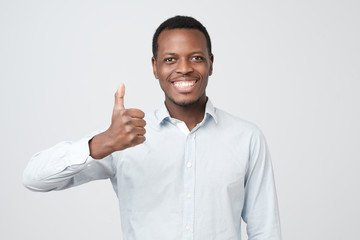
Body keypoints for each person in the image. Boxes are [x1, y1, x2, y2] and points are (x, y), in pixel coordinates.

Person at [23, 15, 281, 239]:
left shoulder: (246, 138)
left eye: (196, 57)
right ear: (155, 67)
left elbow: (265, 231)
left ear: (211, 63)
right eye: (170, 59)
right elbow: (34, 178)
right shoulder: (124, 138)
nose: (183, 69)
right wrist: (102, 143)